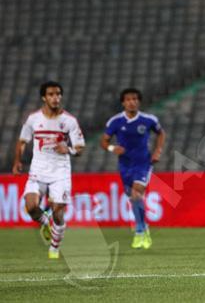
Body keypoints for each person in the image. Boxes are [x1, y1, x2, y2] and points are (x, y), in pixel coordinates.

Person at [12, 81, 85, 259]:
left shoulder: (69, 121)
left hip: (60, 172)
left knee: (58, 211)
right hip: (38, 170)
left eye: (58, 94)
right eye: (51, 94)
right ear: (44, 97)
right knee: (31, 207)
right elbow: (22, 141)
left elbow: (80, 147)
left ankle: (54, 246)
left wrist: (68, 149)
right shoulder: (34, 119)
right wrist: (17, 162)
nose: (55, 98)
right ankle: (45, 222)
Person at [101, 88, 166, 249]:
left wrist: (158, 150)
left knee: (137, 192)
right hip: (125, 165)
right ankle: (144, 227)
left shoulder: (148, 119)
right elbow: (104, 141)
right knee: (133, 197)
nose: (132, 102)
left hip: (143, 163)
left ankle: (138, 231)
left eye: (135, 99)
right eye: (129, 99)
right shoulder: (115, 121)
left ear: (139, 101)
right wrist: (111, 148)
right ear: (123, 102)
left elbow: (161, 133)